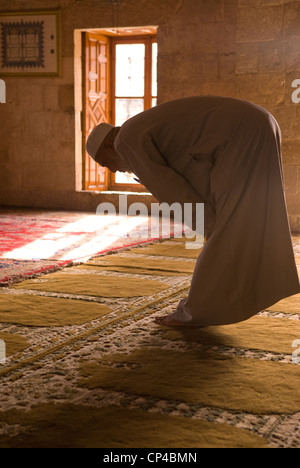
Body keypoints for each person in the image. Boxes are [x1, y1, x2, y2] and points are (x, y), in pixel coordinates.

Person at [86, 96, 300, 327]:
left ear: (108, 145)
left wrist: (209, 225)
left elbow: (170, 188)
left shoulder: (125, 141)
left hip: (242, 134)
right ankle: (260, 287)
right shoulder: (137, 130)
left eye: (106, 164)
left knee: (226, 228)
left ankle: (196, 312)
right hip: (260, 123)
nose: (114, 171)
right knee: (249, 217)